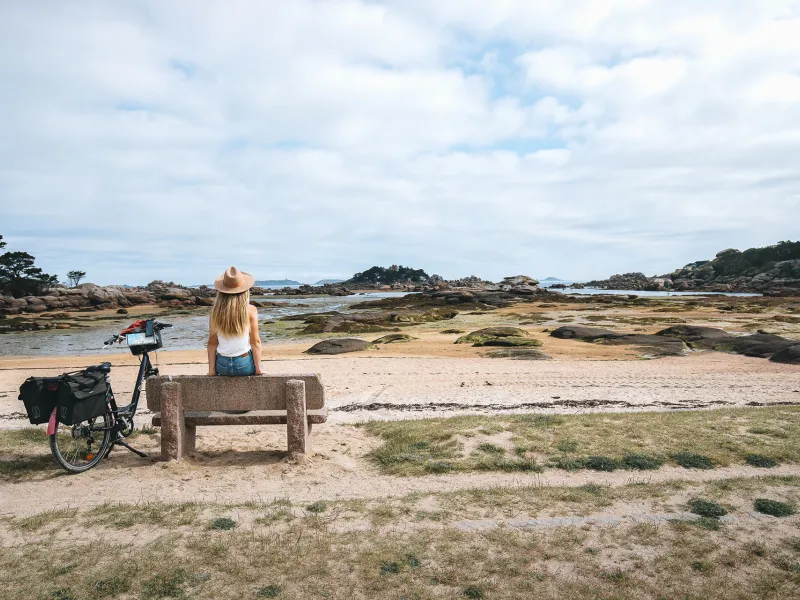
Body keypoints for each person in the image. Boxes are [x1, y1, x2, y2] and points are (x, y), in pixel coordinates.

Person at [207, 266, 262, 377]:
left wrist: (211, 371)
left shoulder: (215, 311)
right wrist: (258, 369)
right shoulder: (251, 310)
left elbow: (212, 343)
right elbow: (255, 342)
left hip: (222, 366)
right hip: (244, 364)